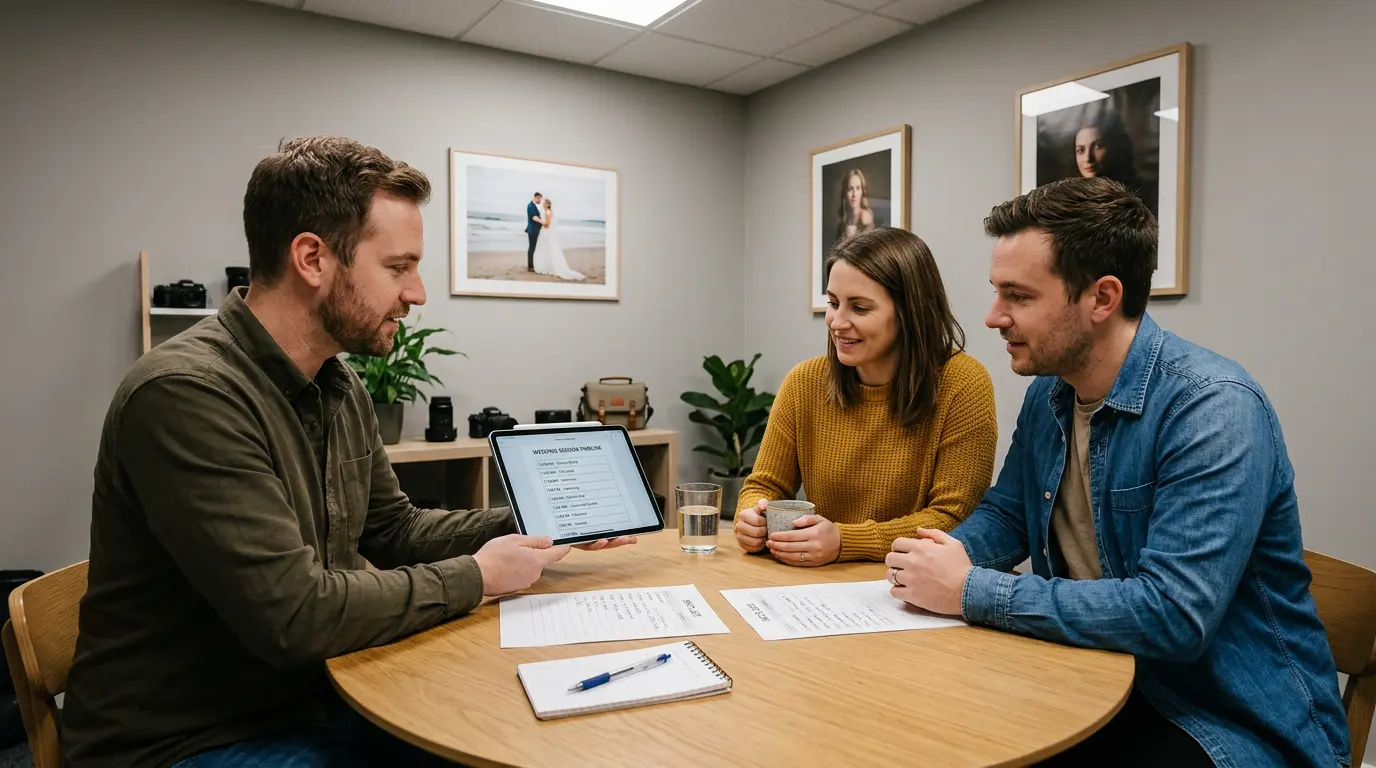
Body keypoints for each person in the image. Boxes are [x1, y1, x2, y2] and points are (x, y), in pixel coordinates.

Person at [61, 136, 634, 768]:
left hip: (313, 695)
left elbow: (393, 530)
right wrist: (480, 577)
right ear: (312, 257)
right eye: (398, 267)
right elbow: (296, 614)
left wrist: (534, 524)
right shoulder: (187, 395)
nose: (417, 294)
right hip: (186, 739)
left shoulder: (338, 382)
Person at [885, 177, 1349, 767]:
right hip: (1096, 676)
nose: (993, 317)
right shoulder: (1051, 393)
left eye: (1017, 296)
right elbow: (1009, 512)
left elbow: (1174, 614)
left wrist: (971, 589)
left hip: (1225, 721)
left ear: (1102, 298)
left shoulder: (1213, 407)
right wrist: (929, 560)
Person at [733, 227, 998, 566]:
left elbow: (954, 518)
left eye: (859, 308)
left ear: (909, 312)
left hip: (914, 582)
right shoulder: (804, 381)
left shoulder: (963, 383)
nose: (837, 322)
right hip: (817, 582)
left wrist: (846, 541)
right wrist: (751, 517)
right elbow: (764, 485)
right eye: (833, 303)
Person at [531, 197, 584, 281]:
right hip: (544, 233)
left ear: (547, 204)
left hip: (546, 233)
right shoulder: (547, 212)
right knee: (545, 249)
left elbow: (547, 225)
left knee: (545, 249)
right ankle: (545, 267)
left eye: (544, 203)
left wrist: (537, 220)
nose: (542, 204)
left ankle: (545, 268)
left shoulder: (547, 212)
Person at [525, 191, 544, 272]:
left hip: (535, 230)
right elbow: (534, 217)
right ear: (536, 197)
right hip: (532, 230)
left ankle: (532, 265)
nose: (540, 200)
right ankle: (530, 266)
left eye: (541, 198)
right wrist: (543, 223)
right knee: (532, 248)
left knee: (533, 248)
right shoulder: (530, 206)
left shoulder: (534, 206)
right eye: (539, 198)